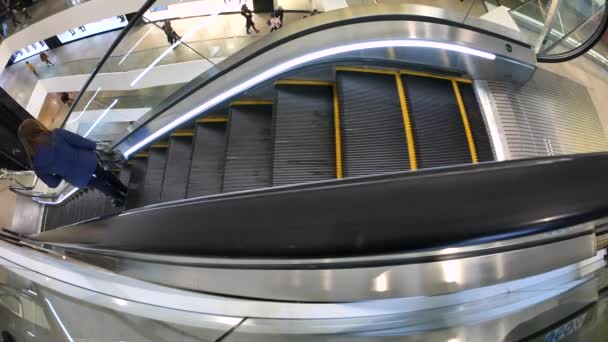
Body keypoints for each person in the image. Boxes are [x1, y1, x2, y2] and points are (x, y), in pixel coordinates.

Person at [18, 119, 128, 206]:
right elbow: (79, 141)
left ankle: (119, 197)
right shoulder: (56, 134)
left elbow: (53, 183)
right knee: (104, 174)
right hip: (88, 160)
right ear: (38, 126)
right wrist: (93, 146)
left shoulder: (37, 165)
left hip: (77, 177)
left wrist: (61, 173)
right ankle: (124, 189)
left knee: (98, 184)